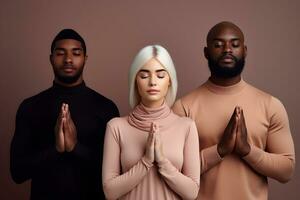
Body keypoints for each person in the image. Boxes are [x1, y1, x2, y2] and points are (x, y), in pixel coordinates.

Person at [172, 21, 295, 200]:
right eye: (218, 44)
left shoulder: (271, 105)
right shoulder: (183, 107)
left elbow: (287, 171)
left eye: (234, 44)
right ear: (206, 52)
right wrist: (220, 150)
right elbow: (172, 172)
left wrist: (247, 150)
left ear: (245, 50)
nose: (227, 49)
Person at [10, 29, 119, 200]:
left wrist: (76, 147)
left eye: (76, 53)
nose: (68, 59)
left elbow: (114, 173)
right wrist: (55, 150)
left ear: (85, 58)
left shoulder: (106, 107)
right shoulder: (30, 107)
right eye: (60, 53)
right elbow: (17, 173)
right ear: (51, 58)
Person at [102, 45, 200, 200]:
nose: (153, 82)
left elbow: (192, 192)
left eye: (160, 75)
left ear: (169, 81)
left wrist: (162, 161)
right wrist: (146, 161)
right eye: (144, 75)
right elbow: (110, 192)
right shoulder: (116, 127)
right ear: (135, 80)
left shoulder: (186, 127)